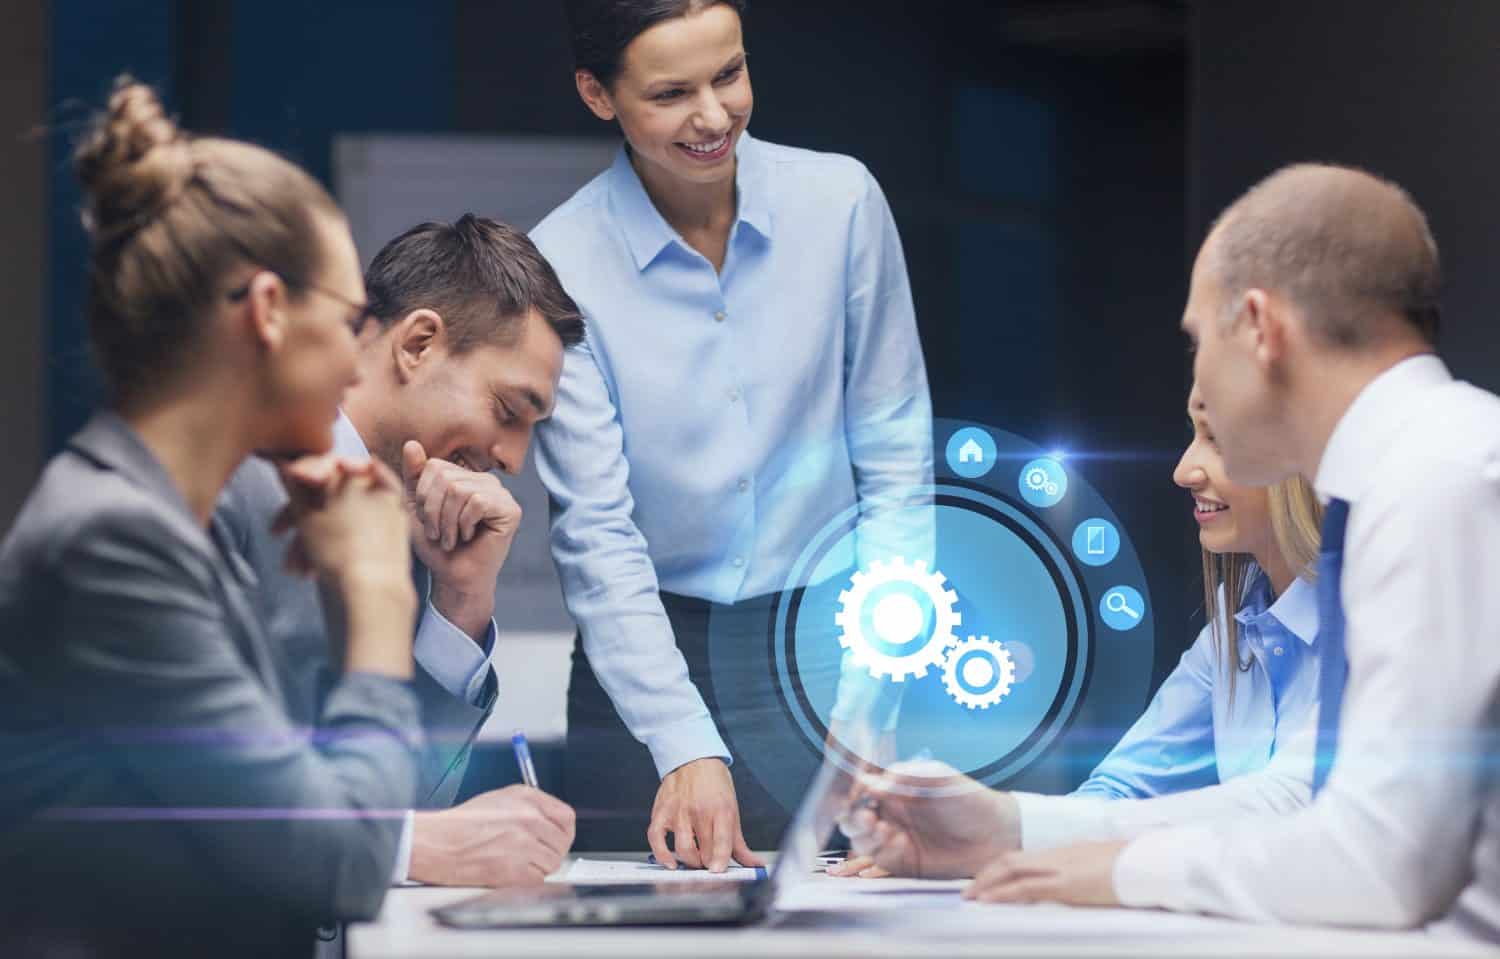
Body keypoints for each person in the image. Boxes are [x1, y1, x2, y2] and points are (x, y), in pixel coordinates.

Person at [851, 164, 1500, 943]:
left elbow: (1376, 861)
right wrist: (1006, 827)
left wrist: (1117, 872)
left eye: (1198, 340)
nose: (1197, 386)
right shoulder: (1437, 465)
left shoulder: (1437, 478)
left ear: (1260, 329)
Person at [0, 78, 423, 956]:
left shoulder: (164, 523)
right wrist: (382, 589)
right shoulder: (110, 541)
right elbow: (341, 858)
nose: (357, 361)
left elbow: (294, 808)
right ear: (268, 310)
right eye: (349, 321)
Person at [531, 0, 933, 869]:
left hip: (832, 649)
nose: (713, 116)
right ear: (597, 95)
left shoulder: (842, 203)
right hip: (646, 662)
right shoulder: (559, 263)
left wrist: (878, 693)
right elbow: (596, 528)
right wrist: (681, 740)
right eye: (672, 92)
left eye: (729, 74)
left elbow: (896, 458)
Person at [218, 214, 583, 888]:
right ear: (417, 343)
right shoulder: (224, 472)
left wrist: (462, 601)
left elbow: (405, 802)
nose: (512, 457)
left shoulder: (412, 527)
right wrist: (412, 847)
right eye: (509, 408)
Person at [831, 385, 1325, 879]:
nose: (1183, 471)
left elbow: (1293, 807)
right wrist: (985, 846)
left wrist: (1004, 830)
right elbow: (1123, 789)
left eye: (1216, 439)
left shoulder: (1376, 614)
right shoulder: (1237, 620)